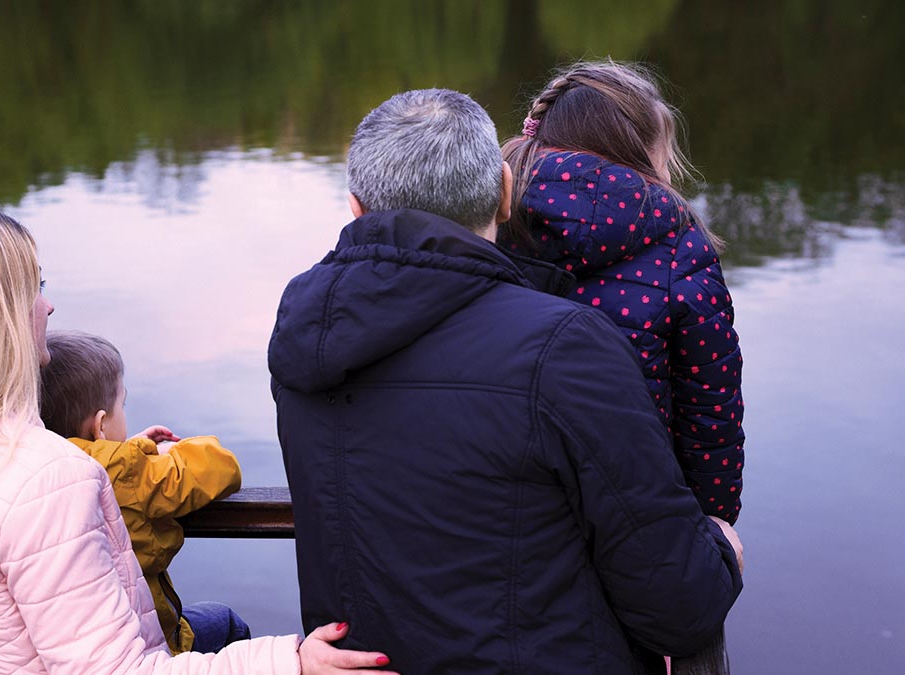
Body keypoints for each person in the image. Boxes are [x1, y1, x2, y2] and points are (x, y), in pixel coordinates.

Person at [269, 89, 743, 674]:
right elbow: (678, 608)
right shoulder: (565, 344)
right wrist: (720, 548)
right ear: (505, 191)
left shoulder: (304, 329)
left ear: (356, 208)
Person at [0, 205, 393, 674]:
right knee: (227, 627)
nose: (47, 304)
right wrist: (287, 660)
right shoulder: (41, 477)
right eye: (35, 286)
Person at [498, 60, 746, 673]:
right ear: (642, 150)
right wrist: (713, 531)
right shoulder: (676, 242)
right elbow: (708, 413)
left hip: (502, 507)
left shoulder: (491, 216)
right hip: (637, 518)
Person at [39, 330, 249, 655]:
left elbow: (100, 460)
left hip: (84, 643)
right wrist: (159, 455)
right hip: (151, 643)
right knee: (225, 621)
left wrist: (128, 449)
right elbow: (223, 467)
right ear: (101, 425)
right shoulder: (129, 474)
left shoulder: (40, 464)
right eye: (122, 404)